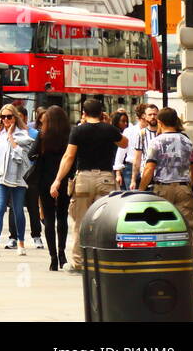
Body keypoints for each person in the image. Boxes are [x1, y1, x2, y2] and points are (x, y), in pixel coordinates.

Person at [49, 98, 126, 271]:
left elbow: (69, 157)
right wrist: (108, 125)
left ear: (83, 112)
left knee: (80, 222)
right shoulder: (109, 130)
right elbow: (124, 143)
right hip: (106, 178)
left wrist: (58, 180)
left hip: (83, 178)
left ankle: (79, 262)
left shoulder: (78, 131)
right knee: (106, 221)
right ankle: (107, 260)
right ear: (101, 113)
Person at [139, 108, 193, 262]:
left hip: (162, 188)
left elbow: (149, 168)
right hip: (183, 187)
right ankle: (191, 258)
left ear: (160, 122)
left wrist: (141, 189)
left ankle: (164, 257)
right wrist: (188, 183)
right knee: (187, 225)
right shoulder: (186, 140)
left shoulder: (156, 141)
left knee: (162, 224)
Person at [0, 106, 34, 258]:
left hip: (18, 179)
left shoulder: (23, 134)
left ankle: (20, 242)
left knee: (18, 210)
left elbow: (24, 157)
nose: (6, 120)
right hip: (0, 177)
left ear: (15, 118)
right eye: (3, 117)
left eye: (9, 117)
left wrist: (11, 137)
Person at [31, 105, 72, 271]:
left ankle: (53, 258)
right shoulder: (69, 135)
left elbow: (31, 154)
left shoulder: (42, 136)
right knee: (62, 217)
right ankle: (62, 254)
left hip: (45, 180)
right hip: (64, 179)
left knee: (49, 219)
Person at [9, 104, 44, 250]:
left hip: (30, 174)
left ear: (24, 117)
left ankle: (36, 236)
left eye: (17, 116)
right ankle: (13, 237)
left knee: (32, 207)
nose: (13, 119)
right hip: (14, 174)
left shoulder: (34, 134)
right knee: (14, 207)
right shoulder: (8, 134)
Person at [131, 103, 158, 179]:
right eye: (150, 115)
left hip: (163, 177)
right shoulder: (141, 134)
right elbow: (137, 158)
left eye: (155, 114)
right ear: (145, 116)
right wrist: (133, 179)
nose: (153, 117)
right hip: (146, 175)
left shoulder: (164, 133)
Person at [111, 111, 133, 190]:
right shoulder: (115, 136)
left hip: (126, 167)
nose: (126, 123)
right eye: (123, 121)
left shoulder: (129, 133)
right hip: (116, 168)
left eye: (126, 121)